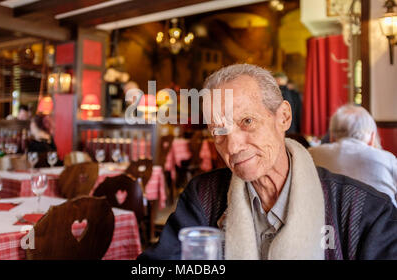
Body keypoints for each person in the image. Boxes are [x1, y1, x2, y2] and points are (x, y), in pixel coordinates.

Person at [139, 64, 397, 260]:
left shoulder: (362, 210)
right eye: (218, 130)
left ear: (283, 116)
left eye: (247, 122)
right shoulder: (204, 197)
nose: (233, 146)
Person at [308, 104, 397, 207]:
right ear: (372, 137)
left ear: (331, 136)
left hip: (326, 221)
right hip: (382, 221)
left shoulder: (310, 155)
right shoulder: (387, 159)